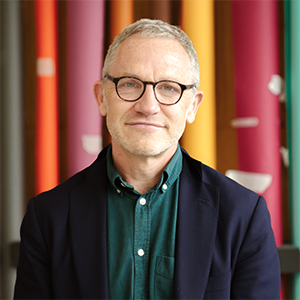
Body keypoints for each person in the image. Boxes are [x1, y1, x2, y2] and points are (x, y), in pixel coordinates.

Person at [14, 18, 280, 300]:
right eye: (129, 84)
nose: (148, 106)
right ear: (101, 97)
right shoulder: (47, 218)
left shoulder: (243, 215)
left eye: (168, 88)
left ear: (192, 106)